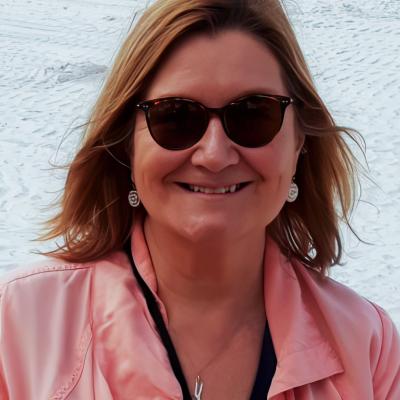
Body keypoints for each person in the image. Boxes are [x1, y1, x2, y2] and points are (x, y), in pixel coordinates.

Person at [0, 0, 399, 398]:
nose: (214, 155)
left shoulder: (368, 348)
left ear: (299, 143)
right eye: (175, 116)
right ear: (126, 145)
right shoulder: (19, 326)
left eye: (253, 114)